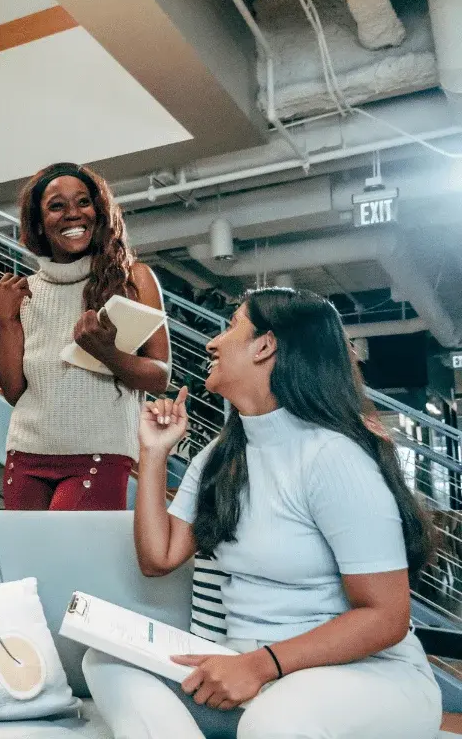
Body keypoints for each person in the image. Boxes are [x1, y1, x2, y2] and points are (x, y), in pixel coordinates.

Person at [83, 287, 441, 739]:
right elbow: (159, 558)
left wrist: (260, 664)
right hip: (250, 667)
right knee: (105, 659)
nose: (212, 343)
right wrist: (152, 454)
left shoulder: (332, 457)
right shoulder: (220, 455)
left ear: (265, 345)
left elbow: (387, 616)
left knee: (274, 722)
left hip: (363, 674)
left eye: (231, 326)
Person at [0, 162, 170, 511]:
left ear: (99, 211)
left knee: (73, 564)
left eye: (83, 202)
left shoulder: (135, 280)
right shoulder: (23, 292)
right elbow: (15, 392)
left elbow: (161, 376)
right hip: (25, 453)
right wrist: (4, 322)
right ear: (39, 223)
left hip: (99, 453)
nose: (73, 214)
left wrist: (108, 353)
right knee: (27, 566)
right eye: (57, 206)